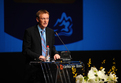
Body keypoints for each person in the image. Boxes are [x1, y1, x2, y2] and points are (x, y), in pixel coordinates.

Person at [22, 10, 60, 83]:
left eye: (47, 18)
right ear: (37, 19)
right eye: (43, 18)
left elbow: (51, 47)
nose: (46, 21)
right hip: (33, 70)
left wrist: (55, 53)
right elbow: (25, 50)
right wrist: (38, 56)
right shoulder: (29, 32)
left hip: (47, 68)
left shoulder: (51, 32)